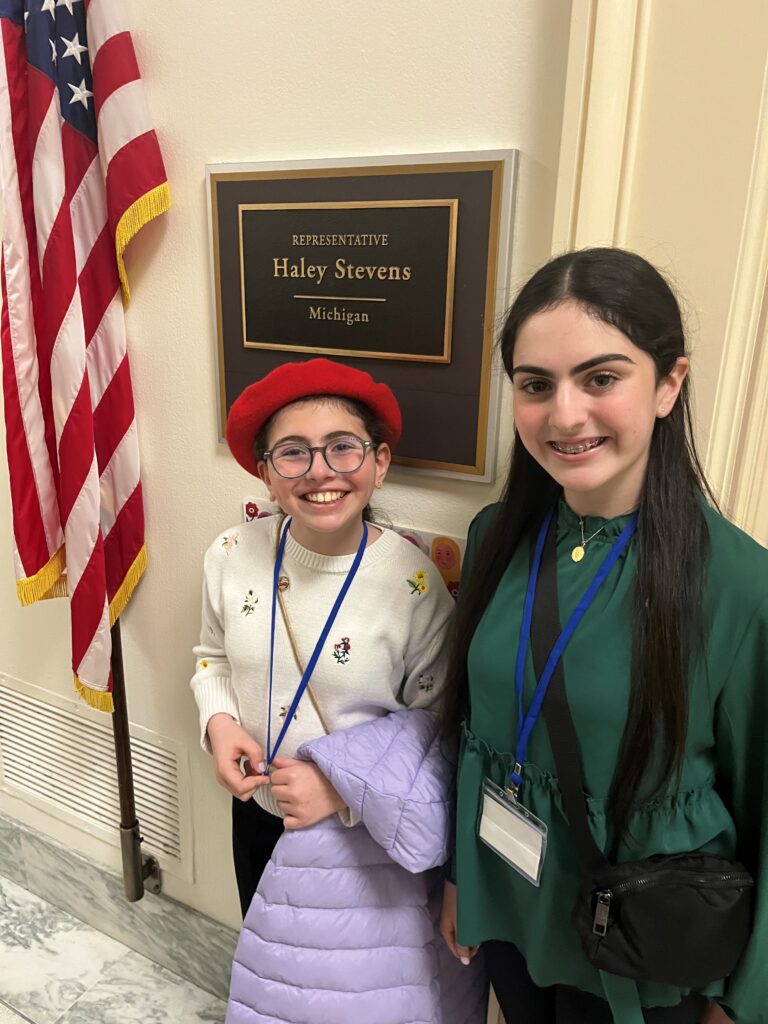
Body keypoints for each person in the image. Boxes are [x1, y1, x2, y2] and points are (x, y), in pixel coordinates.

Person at [439, 248, 768, 1024]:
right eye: (535, 385)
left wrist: (745, 1002)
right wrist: (462, 881)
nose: (564, 415)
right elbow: (473, 732)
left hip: (647, 950)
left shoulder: (737, 584)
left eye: (601, 378)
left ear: (669, 384)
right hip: (512, 910)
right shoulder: (495, 538)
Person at [190, 357, 487, 1024]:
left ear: (379, 463)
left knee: (350, 1001)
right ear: (265, 472)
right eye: (293, 453)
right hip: (258, 814)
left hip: (358, 840)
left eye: (342, 448)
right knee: (276, 986)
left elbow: (437, 730)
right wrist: (219, 724)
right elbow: (211, 657)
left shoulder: (412, 584)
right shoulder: (231, 554)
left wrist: (340, 790)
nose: (320, 471)